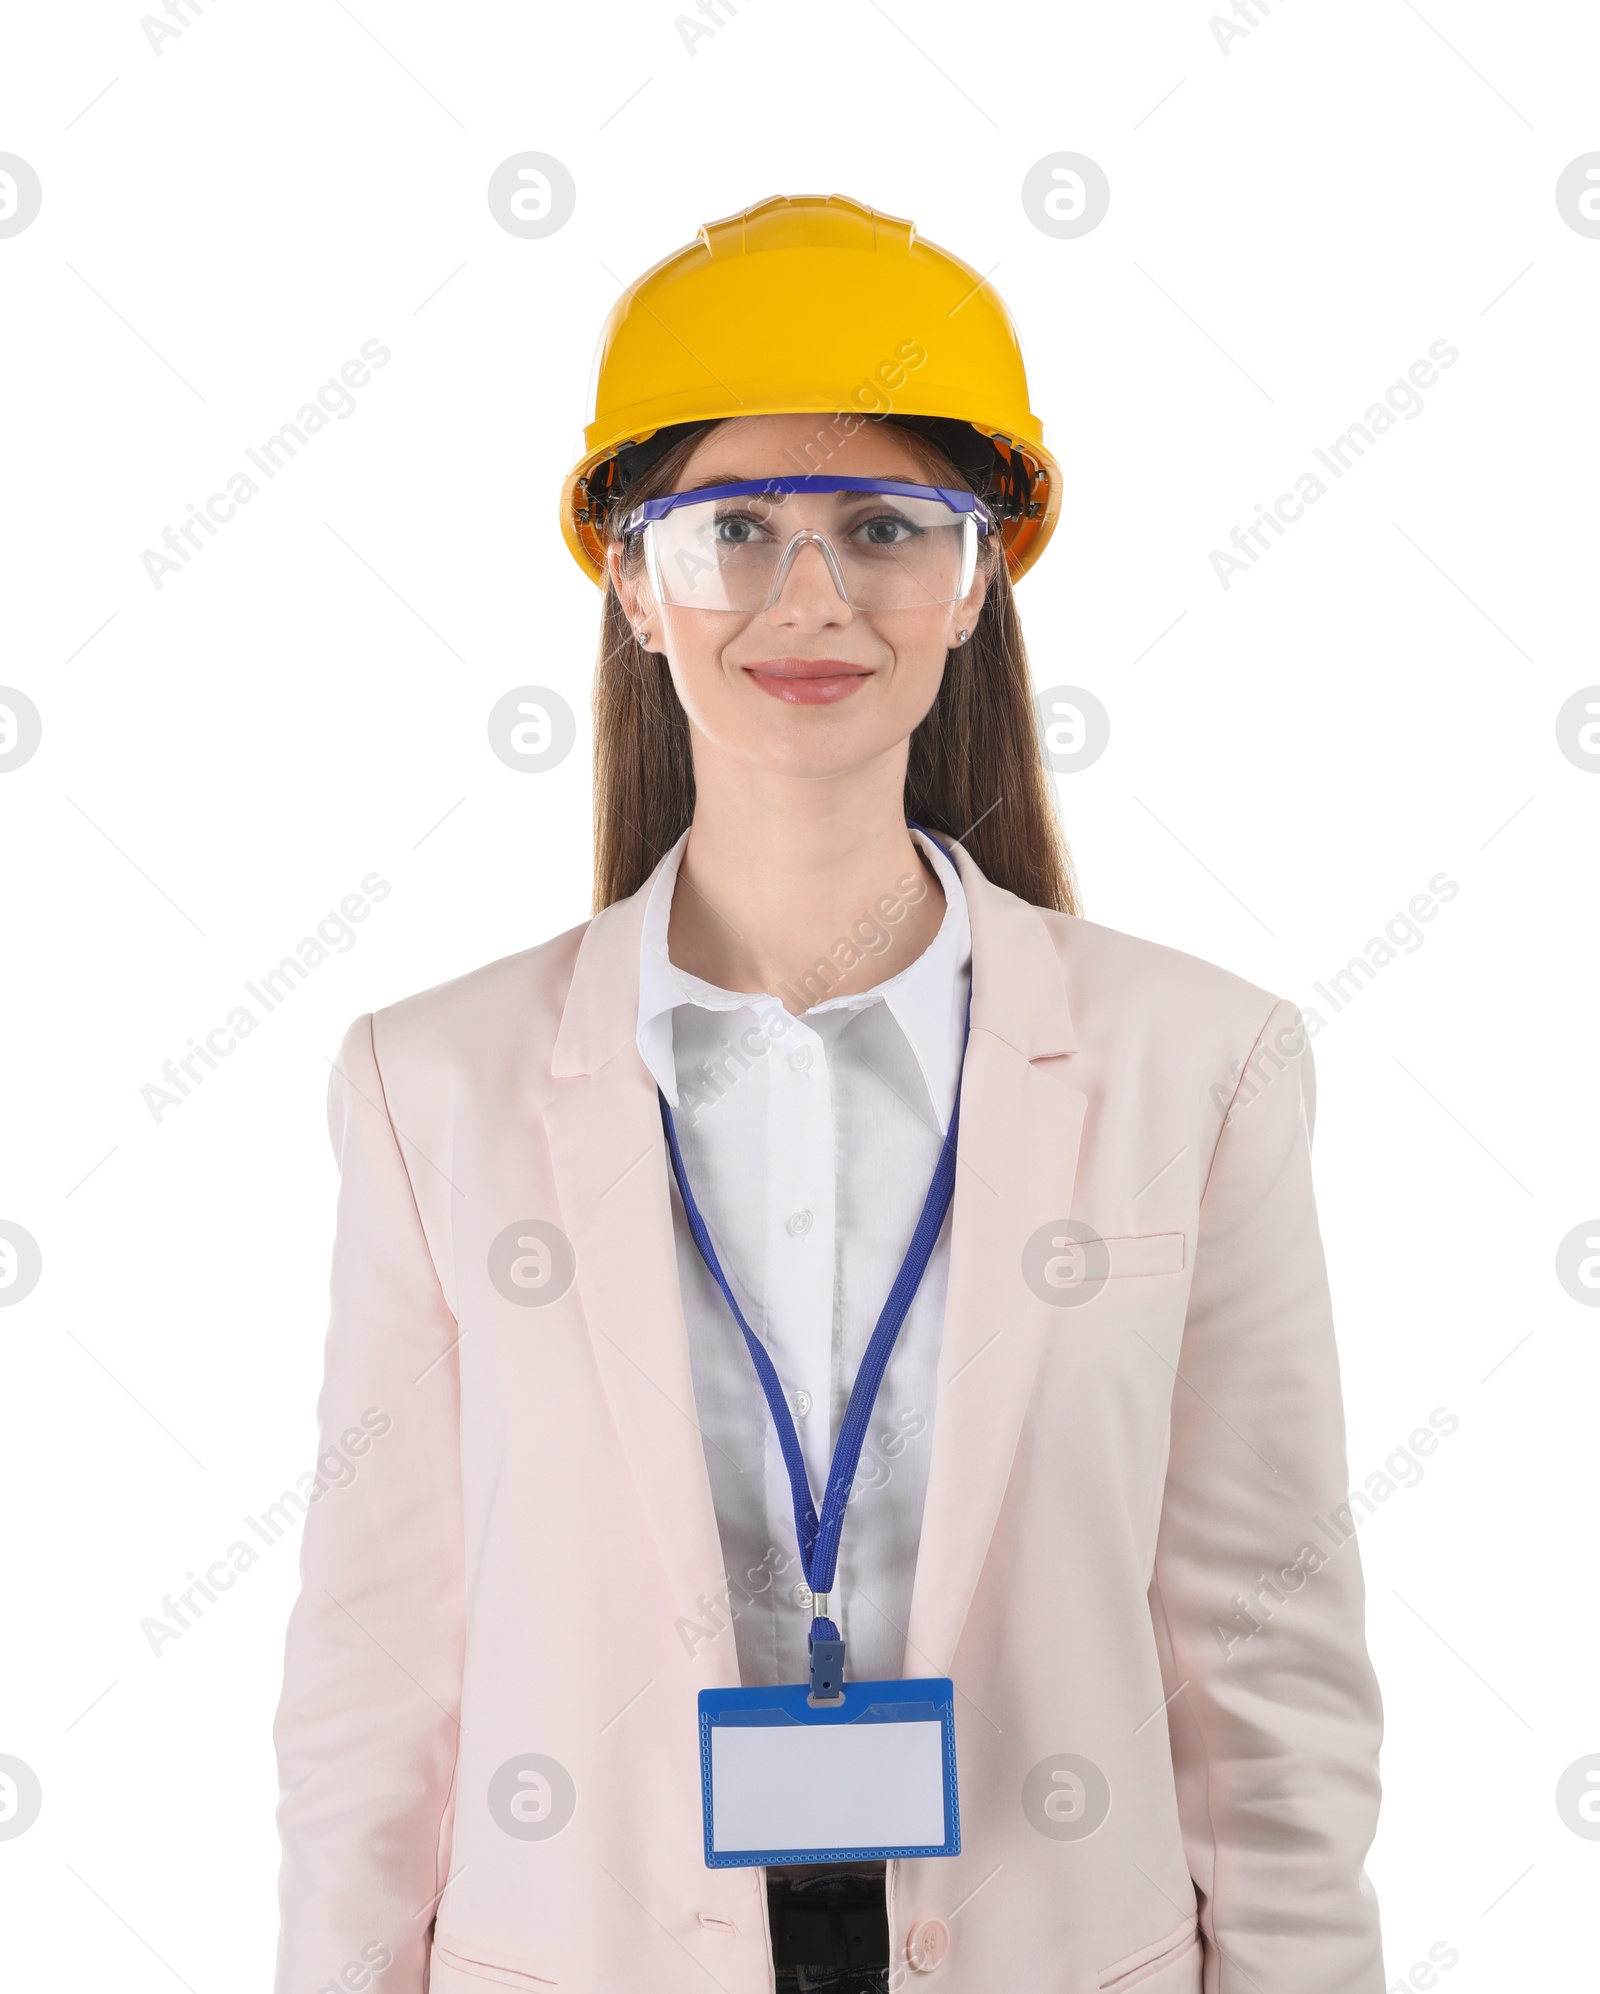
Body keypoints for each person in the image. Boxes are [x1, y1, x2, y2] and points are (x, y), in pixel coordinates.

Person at [272, 193, 1385, 1994]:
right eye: (729, 531)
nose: (808, 597)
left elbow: (1267, 1671)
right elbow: (376, 1681)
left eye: (883, 526)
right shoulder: (436, 1086)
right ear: (630, 582)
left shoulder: (1204, 1067)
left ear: (975, 580)